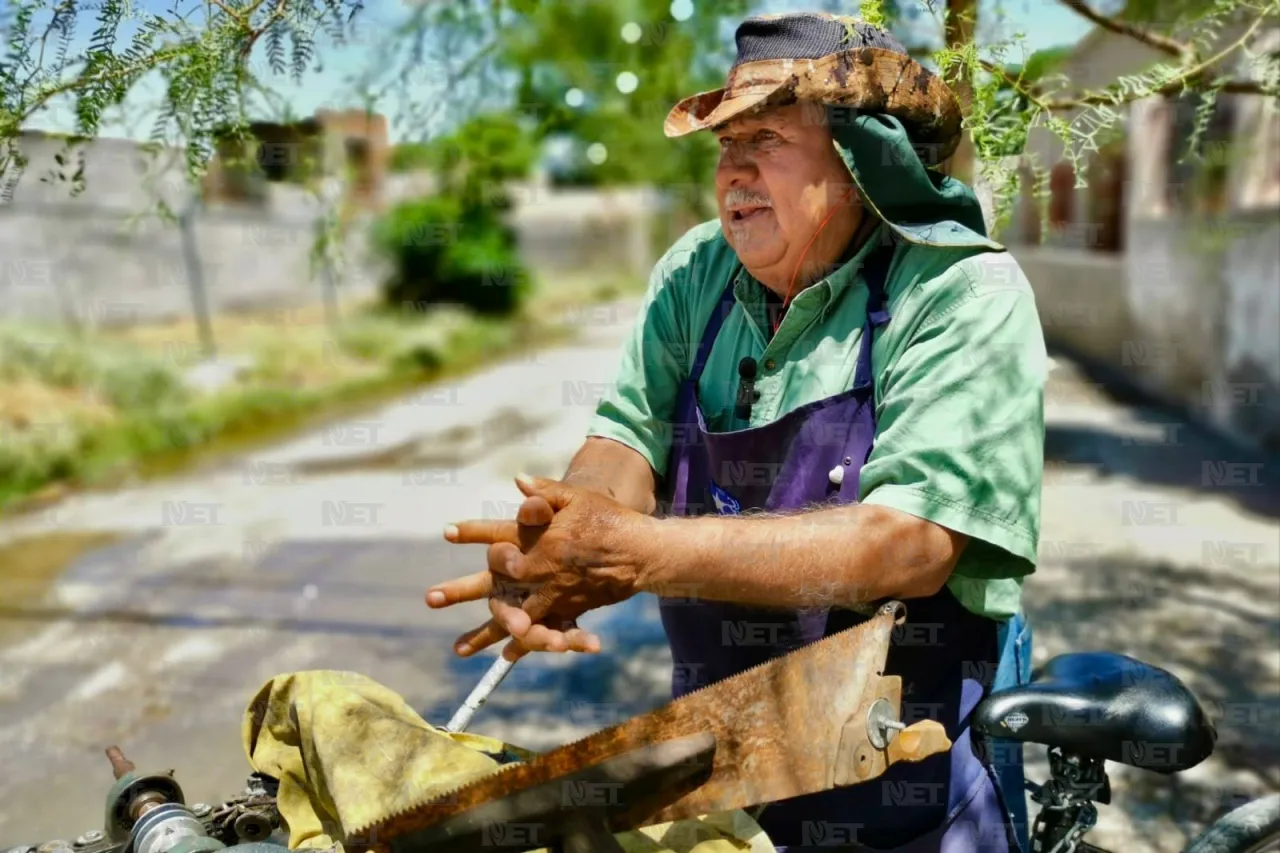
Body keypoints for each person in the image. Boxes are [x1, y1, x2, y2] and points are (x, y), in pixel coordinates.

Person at [427, 12, 1045, 853]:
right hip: (719, 780)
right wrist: (571, 532)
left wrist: (636, 553)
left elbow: (911, 543)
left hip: (903, 797)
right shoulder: (696, 271)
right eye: (725, 145)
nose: (734, 172)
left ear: (867, 159)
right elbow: (628, 436)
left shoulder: (962, 293)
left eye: (765, 140)